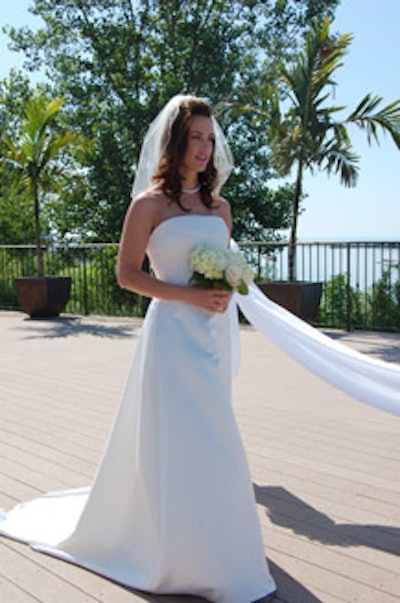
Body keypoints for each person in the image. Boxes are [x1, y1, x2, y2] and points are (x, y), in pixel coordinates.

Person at [0, 95, 278, 603]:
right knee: (178, 436)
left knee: (215, 433)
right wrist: (190, 294)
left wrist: (220, 294)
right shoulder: (147, 205)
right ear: (174, 142)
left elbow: (218, 265)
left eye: (210, 138)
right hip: (172, 336)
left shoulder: (221, 207)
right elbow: (128, 276)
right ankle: (171, 548)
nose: (204, 147)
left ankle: (217, 541)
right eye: (195, 137)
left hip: (212, 335)